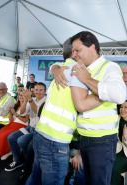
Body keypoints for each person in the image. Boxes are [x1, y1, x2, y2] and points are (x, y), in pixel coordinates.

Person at [26, 38, 103, 185]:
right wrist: (106, 96)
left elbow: (54, 66)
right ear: (74, 53)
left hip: (42, 135)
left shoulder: (63, 68)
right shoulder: (78, 72)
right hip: (55, 142)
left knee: (35, 178)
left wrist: (54, 68)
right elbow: (82, 104)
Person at [52, 32, 126, 185]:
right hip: (84, 139)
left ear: (92, 47)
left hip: (102, 140)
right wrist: (55, 69)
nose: (74, 54)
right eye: (72, 51)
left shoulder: (109, 67)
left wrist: (87, 79)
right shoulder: (81, 66)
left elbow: (119, 95)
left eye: (77, 50)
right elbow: (57, 66)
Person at [5, 82, 46, 171]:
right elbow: (22, 112)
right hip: (30, 127)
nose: (38, 92)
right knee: (11, 137)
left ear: (45, 91)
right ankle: (18, 160)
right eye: (36, 90)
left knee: (21, 141)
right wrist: (26, 100)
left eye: (41, 90)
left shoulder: (47, 101)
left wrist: (29, 99)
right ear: (33, 91)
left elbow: (38, 112)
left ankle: (28, 161)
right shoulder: (32, 99)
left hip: (40, 130)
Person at [0, 92, 29, 158]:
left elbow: (25, 120)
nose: (21, 97)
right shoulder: (16, 106)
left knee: (4, 136)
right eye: (20, 95)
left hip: (22, 126)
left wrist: (15, 114)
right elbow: (11, 120)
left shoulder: (28, 106)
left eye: (23, 95)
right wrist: (10, 112)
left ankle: (8, 152)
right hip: (12, 124)